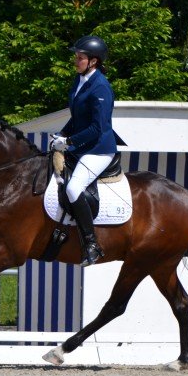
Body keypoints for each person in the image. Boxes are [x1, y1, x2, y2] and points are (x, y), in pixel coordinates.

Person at [51, 35, 119, 266]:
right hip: (82, 145)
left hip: (99, 149)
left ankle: (91, 244)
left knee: (73, 187)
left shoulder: (101, 86)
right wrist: (61, 136)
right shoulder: (79, 80)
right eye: (76, 57)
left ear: (93, 61)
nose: (75, 61)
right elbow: (77, 118)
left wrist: (68, 142)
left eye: (80, 58)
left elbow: (97, 128)